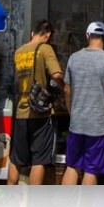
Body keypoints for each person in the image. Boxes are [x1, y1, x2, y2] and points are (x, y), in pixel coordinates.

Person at [62, 21, 104, 186]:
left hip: (76, 124)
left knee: (72, 166)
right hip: (98, 127)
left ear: (87, 36)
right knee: (91, 169)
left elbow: (67, 90)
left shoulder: (74, 58)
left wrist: (72, 113)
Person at [8, 19, 63, 186]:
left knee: (17, 158)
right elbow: (57, 75)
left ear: (33, 33)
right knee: (39, 160)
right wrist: (64, 89)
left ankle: (9, 195)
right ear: (48, 35)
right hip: (41, 113)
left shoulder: (18, 52)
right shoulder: (45, 49)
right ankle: (32, 205)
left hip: (21, 111)